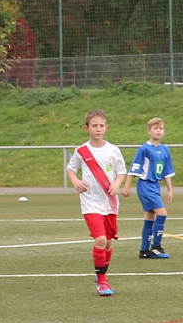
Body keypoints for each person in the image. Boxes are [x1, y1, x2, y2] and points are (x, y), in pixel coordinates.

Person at [66, 110, 126, 297]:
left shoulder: (113, 150)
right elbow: (71, 169)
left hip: (110, 202)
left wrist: (117, 183)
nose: (98, 129)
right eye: (94, 126)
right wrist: (75, 181)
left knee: (107, 243)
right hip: (90, 202)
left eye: (101, 126)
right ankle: (101, 281)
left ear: (106, 128)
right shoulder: (81, 151)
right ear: (87, 128)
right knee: (100, 239)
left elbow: (121, 170)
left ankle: (102, 272)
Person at [122, 117, 175, 259]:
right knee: (162, 214)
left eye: (161, 128)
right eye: (155, 128)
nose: (158, 131)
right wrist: (127, 186)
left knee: (150, 216)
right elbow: (134, 168)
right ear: (148, 131)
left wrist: (170, 189)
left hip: (155, 185)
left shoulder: (165, 150)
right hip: (145, 185)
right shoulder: (144, 149)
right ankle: (156, 247)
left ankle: (144, 250)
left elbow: (167, 172)